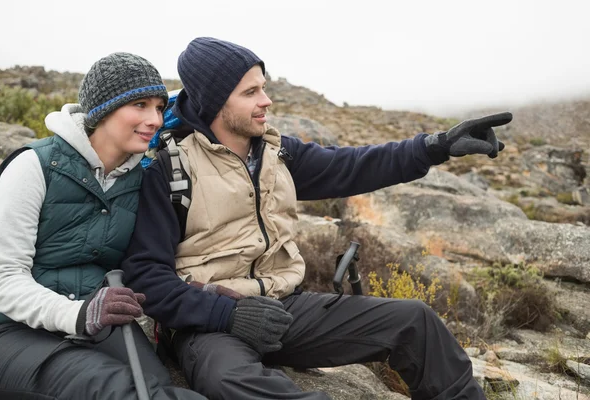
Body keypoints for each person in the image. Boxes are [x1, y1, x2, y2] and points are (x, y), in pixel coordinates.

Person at [122, 37, 512, 400]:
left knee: (415, 322)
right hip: (209, 323)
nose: (267, 100)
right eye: (251, 92)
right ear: (215, 103)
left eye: (263, 86)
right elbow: (148, 277)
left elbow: (354, 166)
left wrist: (433, 147)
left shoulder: (278, 154)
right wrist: (228, 313)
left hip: (284, 308)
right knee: (228, 380)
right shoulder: (170, 169)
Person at [0, 52, 206, 400]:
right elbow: (0, 278)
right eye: (139, 104)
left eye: (158, 107)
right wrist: (77, 313)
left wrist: (202, 291)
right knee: (118, 390)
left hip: (96, 321)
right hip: (7, 328)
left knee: (156, 387)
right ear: (102, 109)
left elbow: (147, 264)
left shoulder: (142, 179)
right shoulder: (35, 166)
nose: (153, 119)